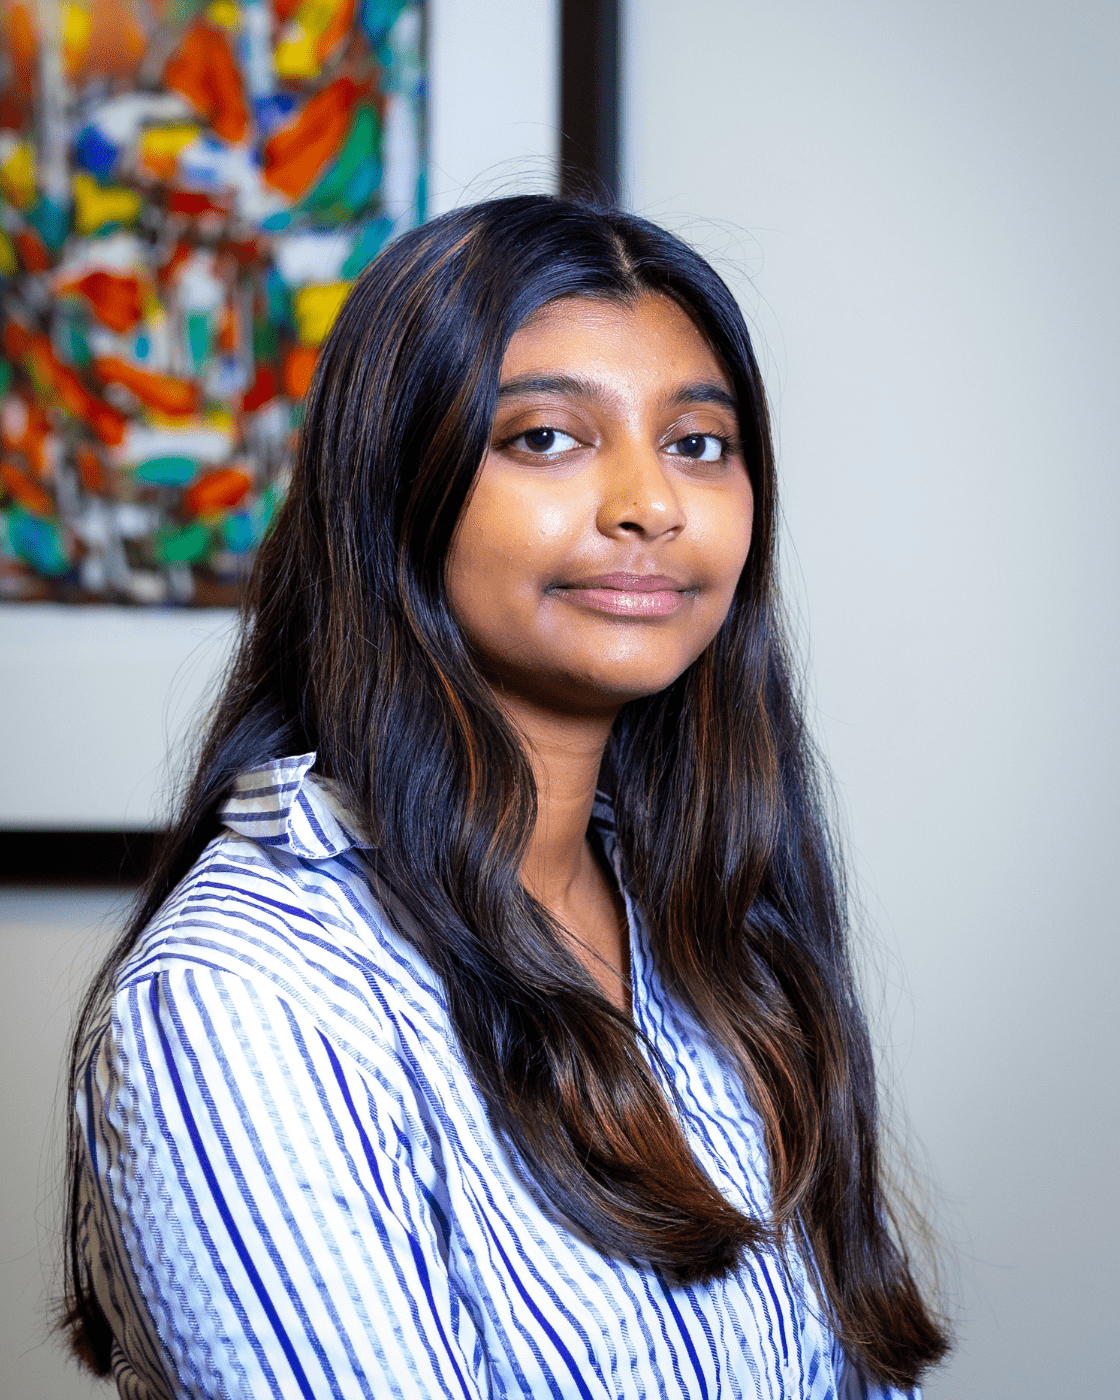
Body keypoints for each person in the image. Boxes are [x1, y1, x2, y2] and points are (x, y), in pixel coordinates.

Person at [61, 196, 949, 1399]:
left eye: (697, 442)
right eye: (545, 437)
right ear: (393, 489)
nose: (652, 503)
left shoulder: (709, 917)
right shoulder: (244, 999)